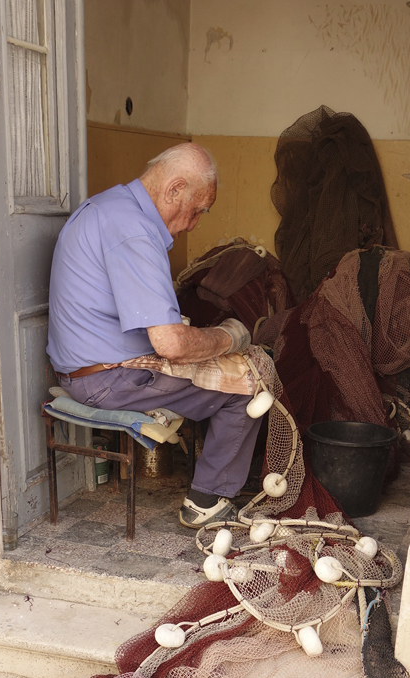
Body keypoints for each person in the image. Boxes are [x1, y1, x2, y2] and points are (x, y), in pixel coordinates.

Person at [46, 143, 259, 529]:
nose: (194, 224)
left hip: (86, 369)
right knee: (247, 384)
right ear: (174, 189)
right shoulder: (134, 231)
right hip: (107, 379)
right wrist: (230, 337)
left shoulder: (110, 206)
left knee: (220, 363)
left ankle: (215, 475)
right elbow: (171, 344)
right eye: (197, 211)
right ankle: (207, 500)